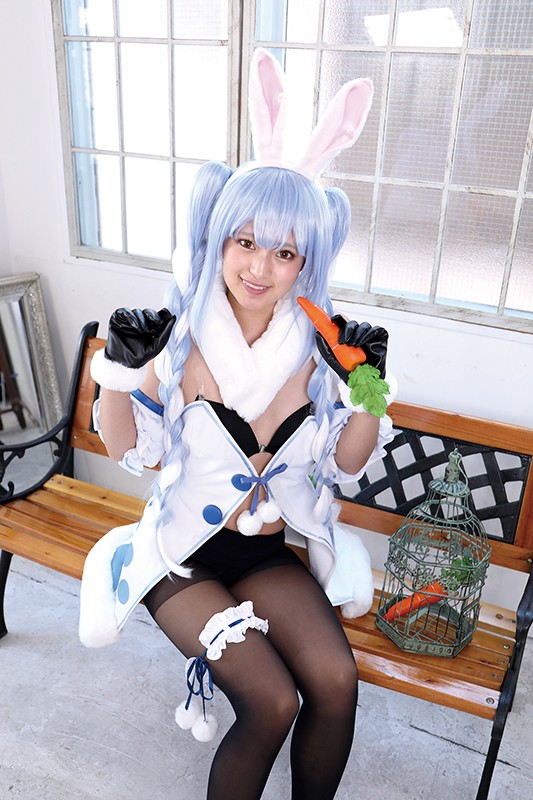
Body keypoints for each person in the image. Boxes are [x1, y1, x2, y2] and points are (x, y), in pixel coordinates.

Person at [79, 50, 396, 800]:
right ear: (219, 237)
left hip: (265, 553)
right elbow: (127, 448)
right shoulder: (179, 337)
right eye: (245, 241)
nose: (259, 268)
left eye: (284, 252)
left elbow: (349, 462)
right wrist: (119, 372)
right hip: (182, 558)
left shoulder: (321, 349)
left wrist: (368, 392)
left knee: (335, 683)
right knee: (272, 700)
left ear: (305, 261)